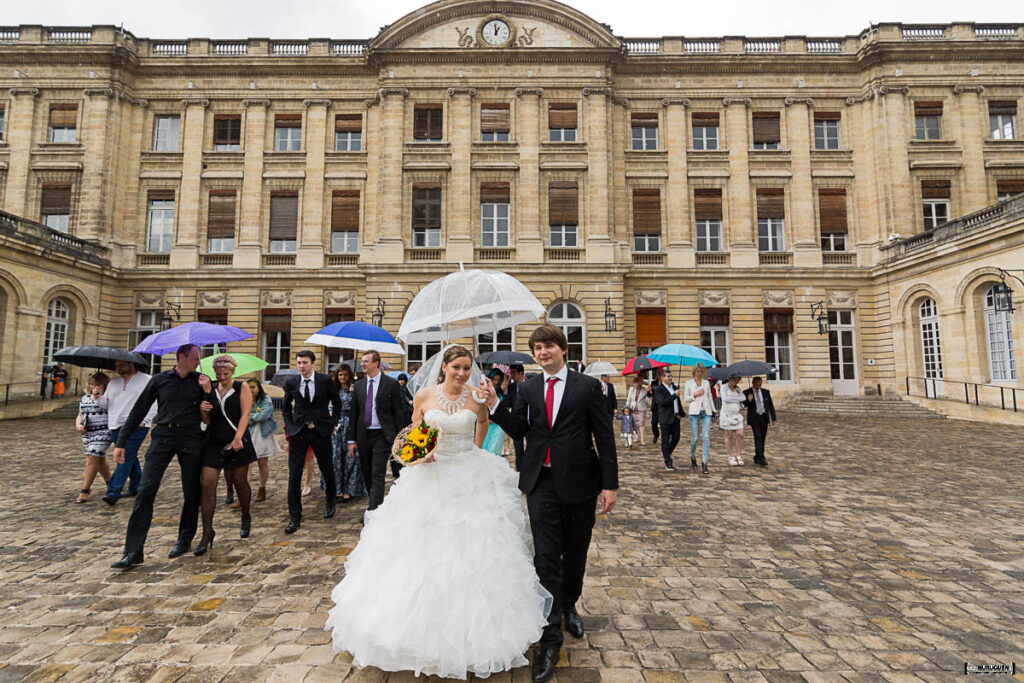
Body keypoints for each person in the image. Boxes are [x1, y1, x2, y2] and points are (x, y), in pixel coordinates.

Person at [325, 345, 550, 679]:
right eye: (456, 367)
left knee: (477, 552)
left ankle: (477, 636)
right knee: (419, 552)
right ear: (444, 367)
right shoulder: (424, 396)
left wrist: (474, 452)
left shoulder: (476, 396)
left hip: (470, 475)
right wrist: (423, 452)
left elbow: (484, 423)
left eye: (466, 368)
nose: (462, 373)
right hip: (430, 476)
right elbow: (415, 431)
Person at [484, 324, 618, 683]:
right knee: (545, 556)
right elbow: (520, 430)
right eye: (537, 348)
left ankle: (569, 603)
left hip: (580, 482)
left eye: (548, 347)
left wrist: (610, 485)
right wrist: (495, 403)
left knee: (575, 552)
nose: (542, 353)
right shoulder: (527, 387)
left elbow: (604, 437)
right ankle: (550, 639)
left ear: (562, 349)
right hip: (540, 482)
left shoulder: (589, 387)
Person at [110, 344, 211, 570]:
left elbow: (210, 410)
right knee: (145, 490)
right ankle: (133, 551)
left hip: (191, 437)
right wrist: (121, 442)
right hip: (163, 436)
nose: (198, 360)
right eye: (195, 357)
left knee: (191, 490)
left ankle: (184, 538)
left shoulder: (201, 380)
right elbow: (139, 410)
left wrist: (207, 391)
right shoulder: (159, 380)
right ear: (182, 357)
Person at [196, 355, 257, 553]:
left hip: (236, 440)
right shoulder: (209, 389)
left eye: (226, 374)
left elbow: (246, 413)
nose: (221, 377)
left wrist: (238, 437)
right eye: (219, 374)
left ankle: (246, 515)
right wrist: (203, 408)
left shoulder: (242, 387)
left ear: (233, 372)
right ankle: (206, 532)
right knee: (207, 483)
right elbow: (207, 421)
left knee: (239, 481)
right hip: (214, 441)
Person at [282, 350, 342, 535]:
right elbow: (285, 406)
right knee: (294, 474)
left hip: (320, 431)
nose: (301, 366)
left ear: (313, 363)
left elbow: (337, 403)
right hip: (298, 433)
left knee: (326, 469)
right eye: (299, 362)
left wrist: (332, 423)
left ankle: (330, 500)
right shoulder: (292, 382)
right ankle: (295, 515)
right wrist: (289, 425)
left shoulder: (325, 380)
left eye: (305, 363)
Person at [347, 350, 404, 514]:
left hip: (383, 435)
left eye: (366, 361)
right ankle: (375, 502)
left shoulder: (391, 384)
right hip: (363, 434)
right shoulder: (358, 386)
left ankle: (373, 511)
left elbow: (398, 413)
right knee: (367, 472)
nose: (362, 364)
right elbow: (354, 414)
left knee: (378, 472)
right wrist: (351, 440)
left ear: (376, 363)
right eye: (362, 361)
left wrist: (399, 437)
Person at [101, 360, 156, 506]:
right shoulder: (113, 383)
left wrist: (147, 418)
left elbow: (155, 400)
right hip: (115, 423)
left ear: (131, 364)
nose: (117, 368)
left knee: (124, 456)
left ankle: (113, 492)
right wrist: (99, 396)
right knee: (130, 456)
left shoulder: (147, 380)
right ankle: (137, 485)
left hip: (137, 424)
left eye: (120, 365)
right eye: (116, 365)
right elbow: (105, 404)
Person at [325, 364, 366, 503]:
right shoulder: (332, 390)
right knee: (335, 458)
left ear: (350, 376)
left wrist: (355, 393)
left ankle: (349, 489)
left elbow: (361, 407)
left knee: (351, 457)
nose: (343, 377)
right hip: (336, 425)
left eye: (345, 375)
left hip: (351, 424)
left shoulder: (355, 388)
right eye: (340, 375)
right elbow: (329, 407)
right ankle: (336, 488)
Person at [75, 373, 112, 503]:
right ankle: (110, 483)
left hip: (103, 431)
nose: (94, 387)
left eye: (98, 385)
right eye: (92, 385)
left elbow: (107, 407)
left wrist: (98, 397)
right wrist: (78, 424)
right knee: (99, 459)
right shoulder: (84, 398)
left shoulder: (107, 398)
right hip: (88, 433)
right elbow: (80, 414)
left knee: (92, 456)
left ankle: (85, 490)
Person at [246, 377, 278, 502]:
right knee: (247, 464)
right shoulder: (244, 399)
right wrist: (251, 418)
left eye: (253, 387)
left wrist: (251, 417)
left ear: (259, 387)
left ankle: (262, 488)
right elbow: (242, 415)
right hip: (248, 433)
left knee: (262, 463)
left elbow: (265, 414)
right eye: (248, 387)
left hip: (263, 434)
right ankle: (245, 490)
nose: (251, 390)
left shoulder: (266, 399)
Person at [683, 364, 716, 475]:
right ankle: (693, 456)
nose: (700, 373)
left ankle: (704, 462)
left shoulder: (706, 383)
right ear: (694, 372)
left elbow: (709, 397)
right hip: (694, 412)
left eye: (701, 371)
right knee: (695, 438)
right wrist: (695, 395)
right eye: (698, 371)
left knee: (706, 437)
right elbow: (686, 399)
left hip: (706, 412)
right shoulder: (688, 383)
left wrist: (713, 411)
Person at [653, 368, 684, 471]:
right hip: (665, 417)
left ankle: (666, 453)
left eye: (671, 376)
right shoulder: (659, 389)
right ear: (662, 378)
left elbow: (678, 402)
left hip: (675, 417)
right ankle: (668, 462)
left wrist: (680, 413)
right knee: (665, 440)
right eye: (668, 376)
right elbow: (663, 402)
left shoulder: (674, 387)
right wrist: (674, 395)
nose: (670, 378)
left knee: (676, 438)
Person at [743, 376, 777, 467]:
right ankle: (761, 457)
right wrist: (748, 400)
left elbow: (770, 406)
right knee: (757, 436)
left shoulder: (765, 392)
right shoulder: (747, 392)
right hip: (755, 418)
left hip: (764, 417)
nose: (758, 385)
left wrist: (774, 418)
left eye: (760, 383)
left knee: (762, 437)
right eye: (757, 383)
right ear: (753, 383)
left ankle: (757, 455)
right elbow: (743, 405)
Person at [718, 373, 746, 466]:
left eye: (738, 381)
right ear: (730, 379)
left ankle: (738, 454)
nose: (736, 382)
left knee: (740, 434)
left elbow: (743, 397)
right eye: (735, 380)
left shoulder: (737, 389)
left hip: (736, 415)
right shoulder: (724, 387)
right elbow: (725, 399)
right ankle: (730, 455)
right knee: (729, 435)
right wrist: (737, 399)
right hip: (727, 415)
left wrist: (735, 398)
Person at [481, 367, 508, 455]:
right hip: (487, 424)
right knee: (484, 449)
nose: (496, 382)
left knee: (494, 450)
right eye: (494, 379)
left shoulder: (502, 392)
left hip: (499, 426)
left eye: (498, 380)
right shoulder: (484, 391)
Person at [507, 364, 526, 470]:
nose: (512, 375)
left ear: (521, 373)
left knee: (532, 448)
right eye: (511, 373)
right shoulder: (510, 388)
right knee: (518, 450)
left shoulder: (529, 386)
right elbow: (507, 404)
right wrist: (504, 390)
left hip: (529, 422)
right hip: (516, 423)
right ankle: (519, 471)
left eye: (514, 373)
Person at [625, 374, 650, 447]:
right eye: (638, 381)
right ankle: (636, 436)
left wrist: (649, 391)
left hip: (641, 408)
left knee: (641, 424)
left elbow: (648, 399)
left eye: (640, 382)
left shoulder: (645, 390)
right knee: (634, 424)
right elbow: (629, 399)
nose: (639, 383)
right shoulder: (632, 389)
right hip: (632, 408)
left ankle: (642, 439)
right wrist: (626, 407)